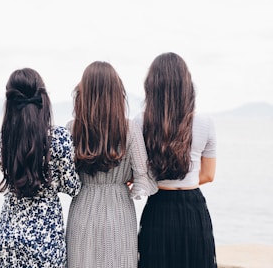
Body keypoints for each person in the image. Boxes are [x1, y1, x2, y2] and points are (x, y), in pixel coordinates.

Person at [65, 61, 158, 268]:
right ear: (117, 92)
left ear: (83, 91)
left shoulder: (71, 129)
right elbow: (143, 174)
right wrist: (125, 180)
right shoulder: (130, 129)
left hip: (83, 207)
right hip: (119, 211)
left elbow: (65, 177)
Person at [0, 68, 81, 268]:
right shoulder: (59, 138)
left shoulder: (4, 139)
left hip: (8, 238)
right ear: (43, 99)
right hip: (46, 242)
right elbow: (73, 187)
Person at [136, 52, 217, 268]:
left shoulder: (140, 122)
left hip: (158, 207)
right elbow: (208, 175)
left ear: (151, 85)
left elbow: (136, 173)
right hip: (194, 208)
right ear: (187, 84)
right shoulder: (205, 122)